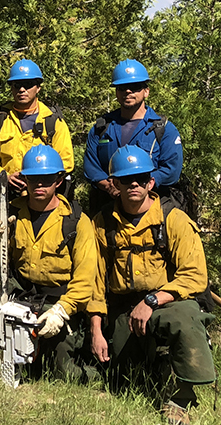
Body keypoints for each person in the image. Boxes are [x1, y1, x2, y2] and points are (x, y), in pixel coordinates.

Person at [88, 146, 215, 425]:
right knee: (123, 382)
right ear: (114, 184)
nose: (133, 184)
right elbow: (95, 282)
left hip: (169, 302)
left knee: (185, 319)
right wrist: (96, 330)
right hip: (125, 306)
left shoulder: (174, 219)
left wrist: (152, 301)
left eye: (140, 178)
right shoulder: (102, 223)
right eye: (124, 179)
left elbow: (195, 276)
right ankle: (159, 368)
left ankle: (183, 397)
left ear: (150, 182)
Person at [0, 145, 98, 380]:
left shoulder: (77, 222)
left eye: (46, 179)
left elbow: (84, 280)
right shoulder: (11, 212)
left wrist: (62, 311)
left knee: (61, 373)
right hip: (19, 290)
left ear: (58, 180)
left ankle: (93, 374)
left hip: (56, 300)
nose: (39, 185)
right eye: (33, 179)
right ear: (25, 180)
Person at [83, 60, 183, 213]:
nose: (128, 91)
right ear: (116, 92)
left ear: (146, 91)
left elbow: (171, 170)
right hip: (108, 210)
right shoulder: (101, 128)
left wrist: (137, 187)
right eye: (122, 87)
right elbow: (91, 166)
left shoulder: (164, 129)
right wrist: (111, 187)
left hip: (151, 209)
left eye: (135, 87)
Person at [0, 59, 74, 198]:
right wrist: (5, 177)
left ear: (38, 87)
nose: (22, 90)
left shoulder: (53, 122)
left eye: (28, 85)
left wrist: (37, 180)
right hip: (8, 194)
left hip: (44, 196)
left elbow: (66, 161)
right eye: (17, 85)